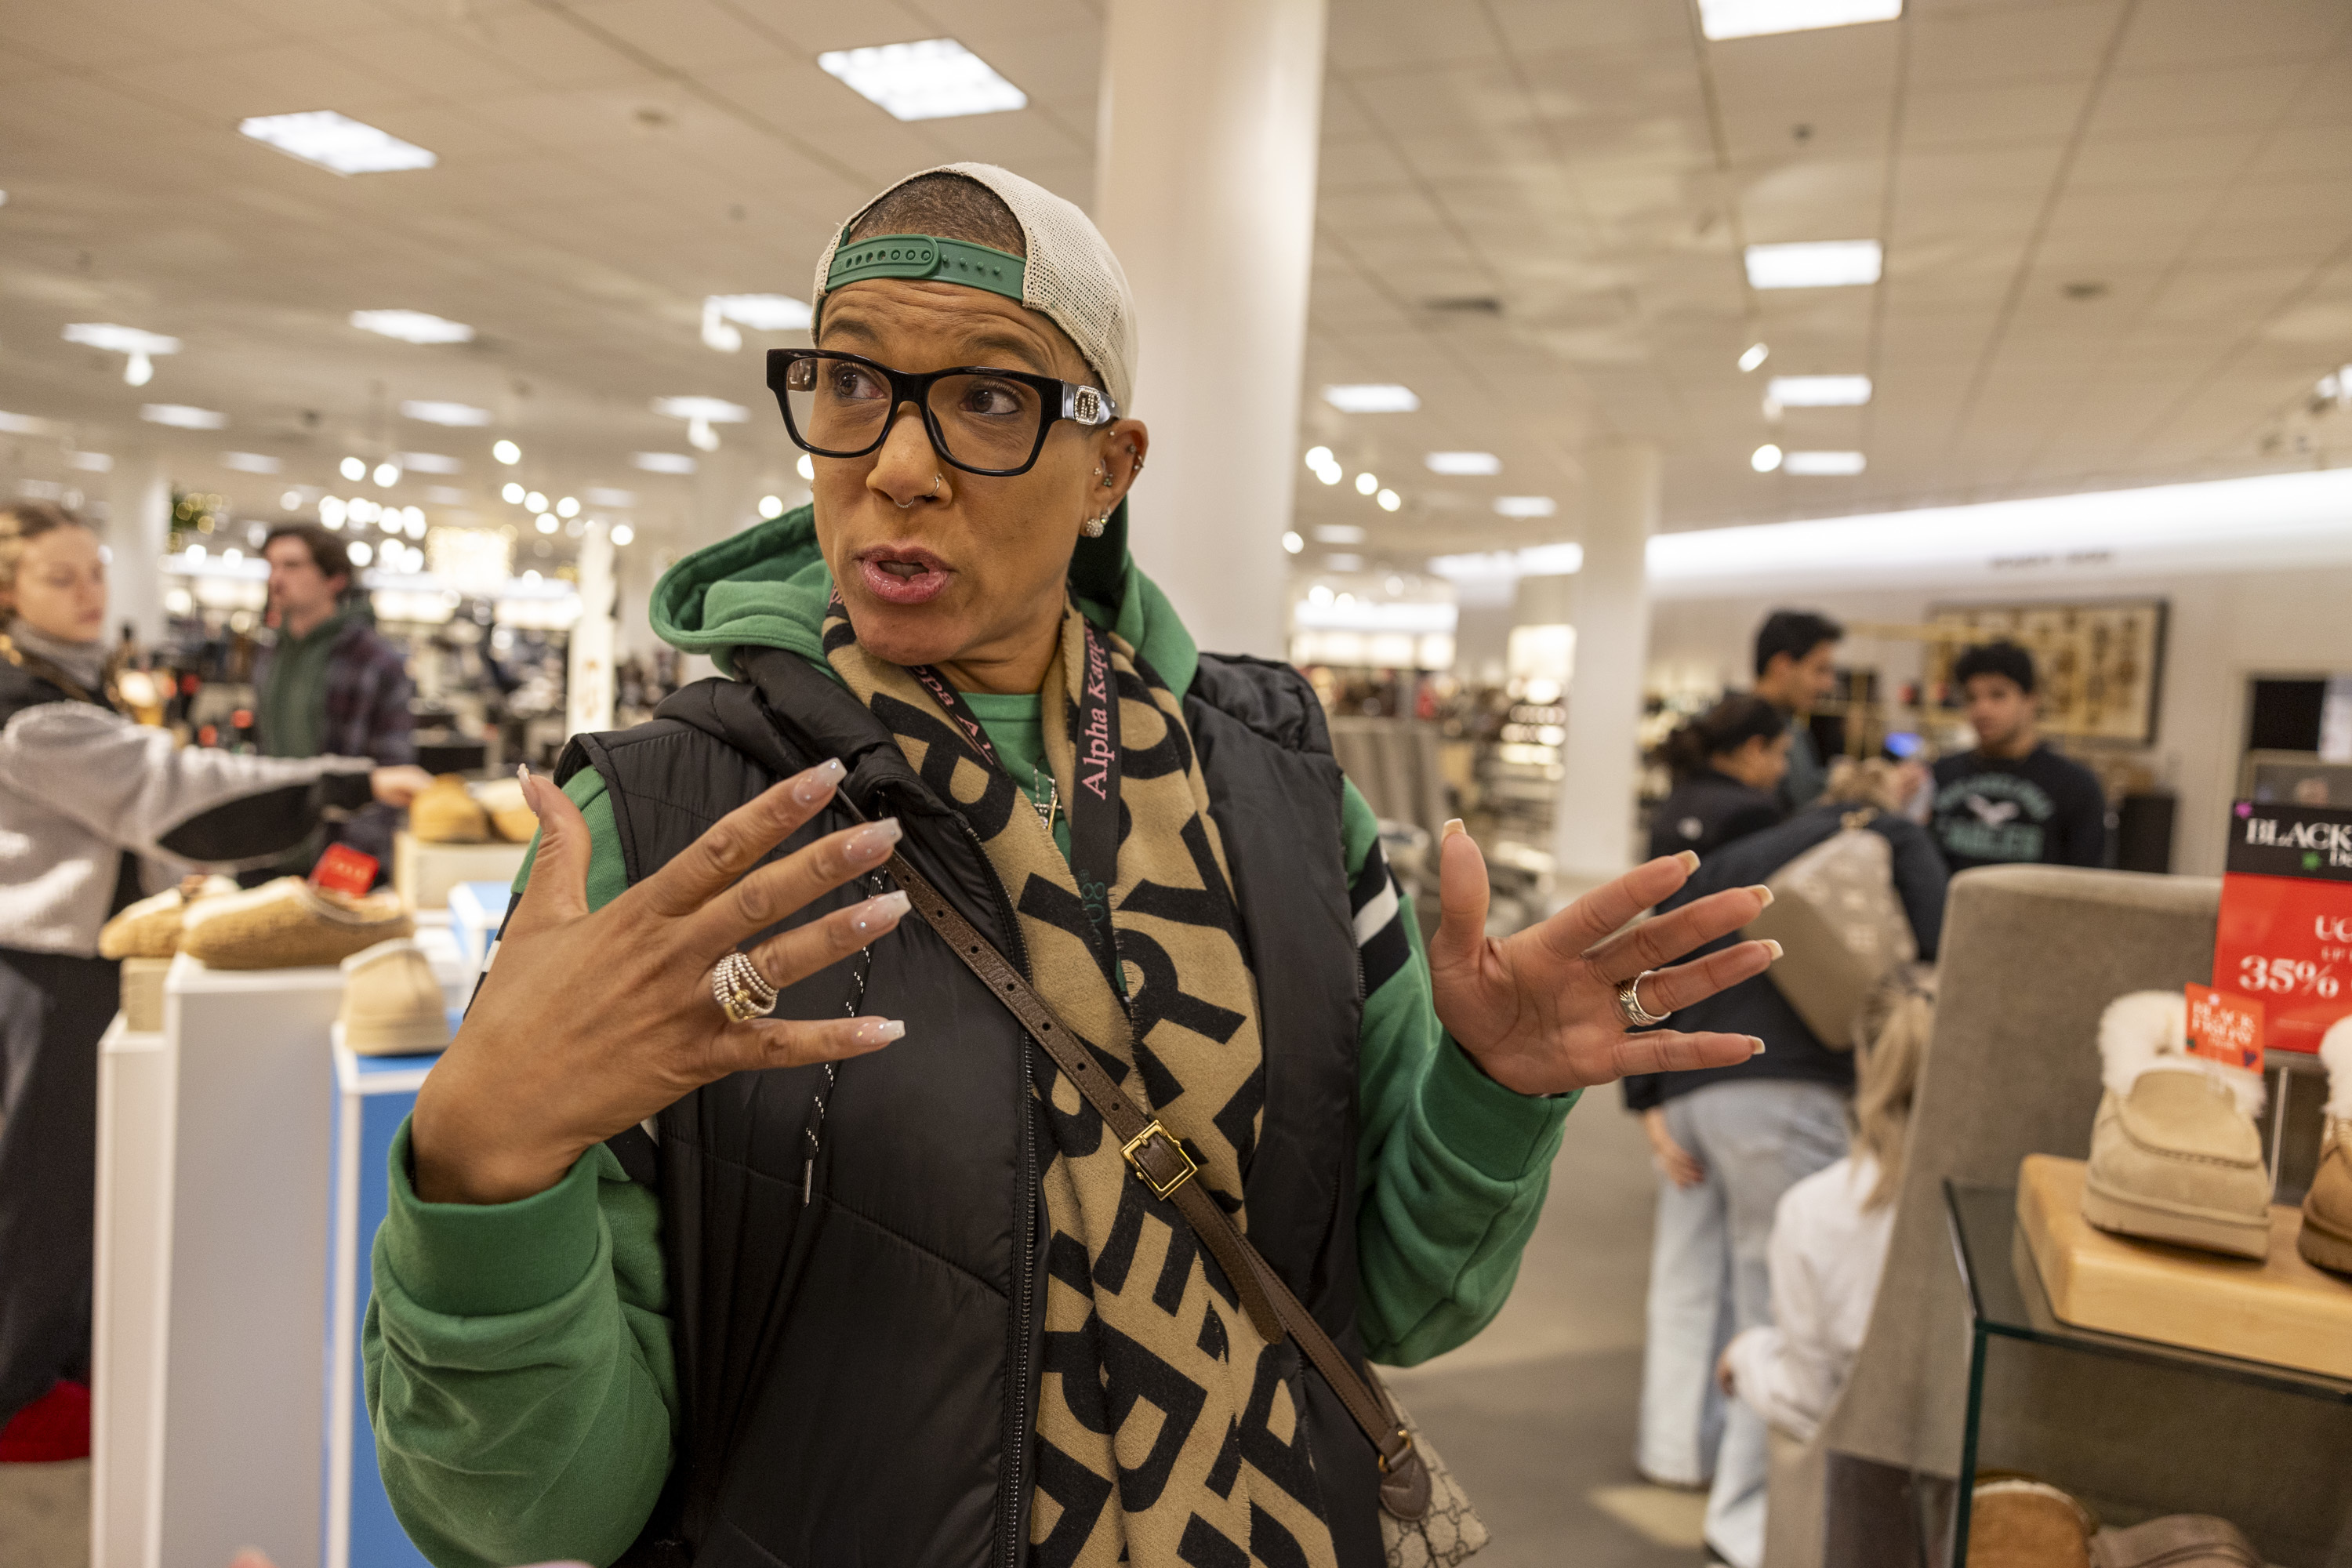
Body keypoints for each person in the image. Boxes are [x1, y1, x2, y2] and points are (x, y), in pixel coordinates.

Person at [362, 163, 1781, 1568]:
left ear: (1112, 467)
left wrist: (1489, 1094)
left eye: (990, 398)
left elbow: (1397, 1306)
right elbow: (534, 1512)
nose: (897, 466)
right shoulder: (663, 823)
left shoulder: (1280, 797)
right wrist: (485, 1174)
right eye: (851, 383)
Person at [0, 501, 431, 1437]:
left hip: (98, 948)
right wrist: (346, 783)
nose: (89, 592)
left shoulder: (73, 687)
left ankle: (53, 1358)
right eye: (60, 577)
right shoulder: (33, 713)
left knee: (68, 1170)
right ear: (11, 591)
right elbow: (173, 793)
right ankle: (18, 1388)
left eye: (94, 571)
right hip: (54, 966)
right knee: (41, 1176)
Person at [1621, 760, 1946, 1568]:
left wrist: (1647, 1096)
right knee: (1774, 1303)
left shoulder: (1744, 854)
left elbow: (1655, 958)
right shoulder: (1897, 839)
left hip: (1689, 1086)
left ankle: (1673, 1453)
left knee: (1687, 1281)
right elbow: (1937, 960)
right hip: (1787, 1089)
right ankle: (1746, 1521)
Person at [1717, 966, 1933, 1443]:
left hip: (1867, 1461)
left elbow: (1807, 1401)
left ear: (1863, 1060)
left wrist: (1747, 1355)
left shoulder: (1815, 1212)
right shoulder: (2010, 1206)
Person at [253, 521, 416, 876]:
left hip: (337, 853)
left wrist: (354, 863)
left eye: (292, 565)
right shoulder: (270, 654)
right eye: (272, 565)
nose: (276, 578)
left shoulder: (375, 661)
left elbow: (393, 769)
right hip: (268, 848)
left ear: (334, 580)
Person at [1929, 639, 2107, 872]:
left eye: (1998, 695)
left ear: (2031, 699)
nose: (1982, 709)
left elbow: (2088, 882)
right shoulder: (1939, 775)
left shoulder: (2075, 787)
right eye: (1971, 698)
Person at [1648, 694, 1790, 860]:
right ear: (1755, 748)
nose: (1784, 769)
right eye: (1782, 753)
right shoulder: (1756, 814)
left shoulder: (1678, 797)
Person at [1751, 610, 1843, 813]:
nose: (1828, 684)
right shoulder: (1737, 731)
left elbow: (1808, 794)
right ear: (1782, 666)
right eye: (1820, 670)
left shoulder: (1792, 727)